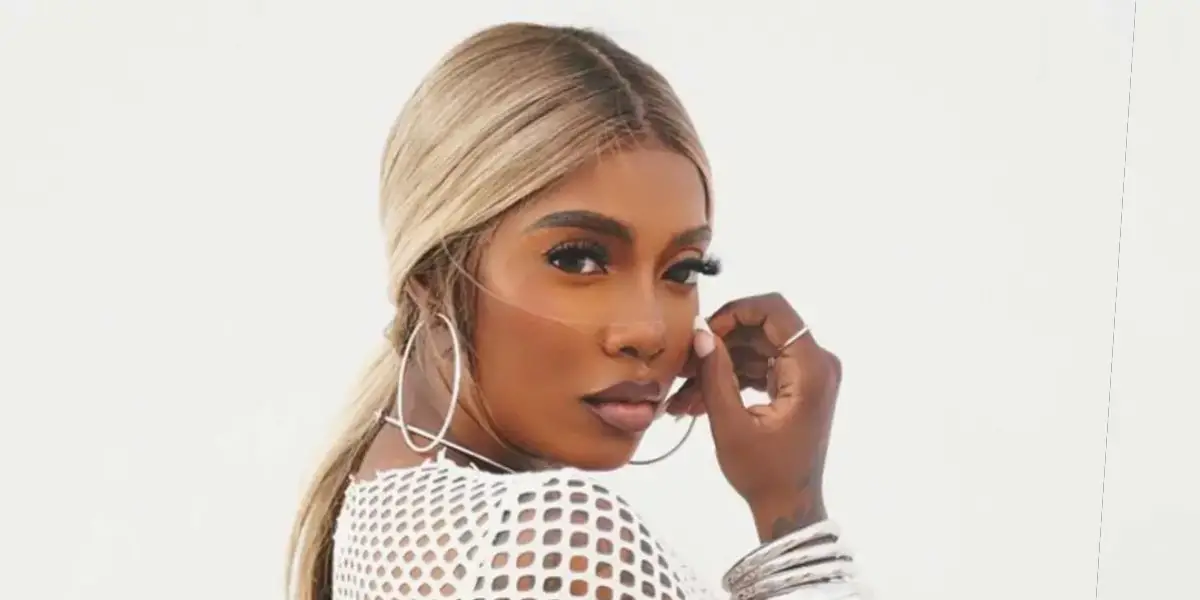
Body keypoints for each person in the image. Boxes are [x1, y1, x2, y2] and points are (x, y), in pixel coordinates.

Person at [287, 22, 865, 600]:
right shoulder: (562, 548)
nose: (649, 331)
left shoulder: (378, 502)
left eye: (683, 270)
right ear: (432, 278)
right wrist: (793, 510)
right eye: (578, 260)